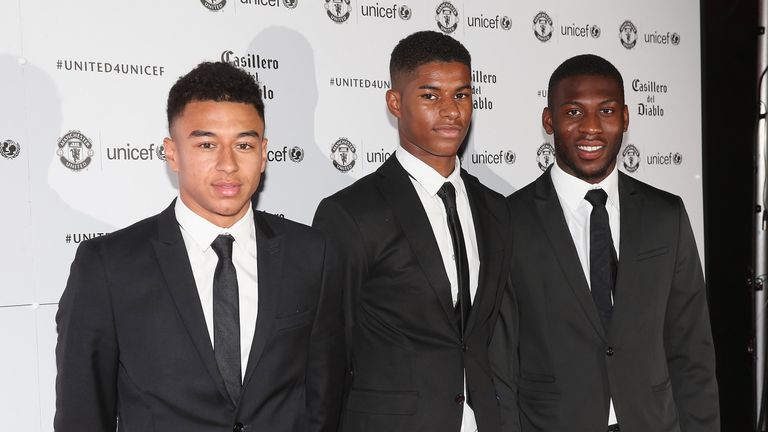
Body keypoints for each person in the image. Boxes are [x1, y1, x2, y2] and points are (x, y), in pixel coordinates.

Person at [54, 61, 344, 432]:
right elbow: (82, 415)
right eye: (207, 144)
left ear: (264, 153)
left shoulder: (312, 254)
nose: (228, 165)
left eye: (244, 144)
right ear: (172, 153)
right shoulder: (109, 266)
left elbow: (325, 398)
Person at [492, 54, 719, 431]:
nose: (592, 128)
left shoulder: (667, 216)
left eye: (607, 111)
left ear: (626, 119)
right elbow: (500, 365)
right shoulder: (508, 222)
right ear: (549, 121)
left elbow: (691, 351)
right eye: (574, 112)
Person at [312, 30, 512, 432]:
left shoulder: (496, 208)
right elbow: (327, 354)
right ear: (395, 102)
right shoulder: (351, 213)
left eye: (462, 95)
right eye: (430, 96)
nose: (451, 111)